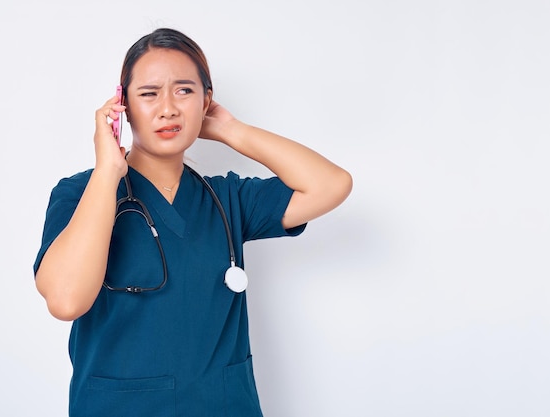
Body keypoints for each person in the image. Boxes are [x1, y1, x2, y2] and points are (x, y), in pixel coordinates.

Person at [33, 27, 352, 417]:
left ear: (206, 100)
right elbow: (66, 301)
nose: (168, 108)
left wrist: (233, 131)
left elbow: (332, 185)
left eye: (184, 91)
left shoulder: (229, 199)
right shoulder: (81, 194)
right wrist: (107, 171)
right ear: (122, 106)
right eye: (149, 94)